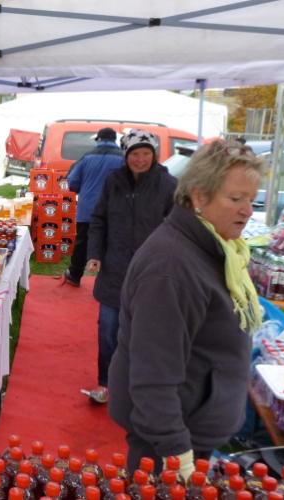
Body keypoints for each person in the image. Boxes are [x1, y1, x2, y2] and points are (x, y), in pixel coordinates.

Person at [108, 139, 265, 475]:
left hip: (192, 421)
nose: (248, 210)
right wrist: (176, 453)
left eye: (251, 199)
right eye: (236, 199)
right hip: (169, 439)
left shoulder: (214, 247)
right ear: (198, 197)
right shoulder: (172, 269)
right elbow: (154, 375)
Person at [85, 129, 178, 404]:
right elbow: (99, 219)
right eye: (135, 154)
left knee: (145, 334)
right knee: (108, 329)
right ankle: (106, 383)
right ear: (126, 156)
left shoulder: (169, 185)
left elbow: (178, 228)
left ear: (154, 155)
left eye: (146, 153)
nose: (140, 159)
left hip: (152, 273)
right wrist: (95, 253)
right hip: (114, 269)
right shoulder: (113, 181)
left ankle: (140, 386)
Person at [63, 127, 124, 287]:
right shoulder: (123, 158)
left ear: (99, 139)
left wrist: (83, 189)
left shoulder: (86, 156)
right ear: (115, 140)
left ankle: (75, 274)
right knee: (112, 244)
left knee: (82, 242)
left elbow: (73, 181)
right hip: (114, 209)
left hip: (88, 208)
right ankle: (108, 280)